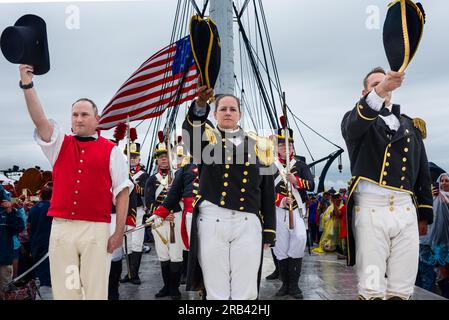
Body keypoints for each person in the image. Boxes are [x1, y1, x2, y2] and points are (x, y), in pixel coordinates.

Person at [19, 64, 133, 300]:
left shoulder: (111, 151)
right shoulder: (59, 144)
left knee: (95, 292)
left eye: (84, 114)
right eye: (75, 114)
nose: (79, 119)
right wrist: (28, 85)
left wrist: (118, 232)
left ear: (96, 118)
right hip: (62, 229)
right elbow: (39, 119)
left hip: (96, 229)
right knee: (66, 293)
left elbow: (122, 193)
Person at [341, 67, 433, 300]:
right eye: (375, 84)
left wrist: (424, 213)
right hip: (372, 210)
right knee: (372, 289)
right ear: (364, 92)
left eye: (385, 83)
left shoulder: (411, 126)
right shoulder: (355, 120)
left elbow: (422, 170)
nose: (383, 87)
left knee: (402, 289)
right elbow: (355, 125)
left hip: (405, 211)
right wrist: (381, 90)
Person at [182, 87, 276, 300]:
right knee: (216, 290)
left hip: (247, 223)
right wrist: (199, 106)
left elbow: (268, 191)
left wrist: (269, 230)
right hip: (213, 221)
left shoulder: (261, 146)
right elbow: (190, 131)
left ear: (239, 114)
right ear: (214, 114)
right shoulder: (205, 140)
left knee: (247, 290)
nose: (227, 112)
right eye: (222, 109)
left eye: (233, 109)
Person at [271, 126, 314, 299]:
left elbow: (311, 185)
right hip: (277, 209)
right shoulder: (270, 165)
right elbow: (263, 189)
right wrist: (280, 200)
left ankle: (294, 285)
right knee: (280, 246)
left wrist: (297, 181)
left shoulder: (301, 165)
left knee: (299, 239)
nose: (285, 149)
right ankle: (285, 285)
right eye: (282, 146)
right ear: (277, 148)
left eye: (288, 146)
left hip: (296, 210)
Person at [152, 138, 199, 285]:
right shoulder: (155, 178)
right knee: (168, 252)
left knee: (185, 248)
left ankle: (188, 275)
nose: (165, 159)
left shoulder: (188, 171)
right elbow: (150, 199)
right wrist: (163, 213)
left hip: (186, 213)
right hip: (169, 217)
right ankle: (173, 285)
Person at [144, 139, 184, 300]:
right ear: (157, 160)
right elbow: (149, 202)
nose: (163, 159)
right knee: (163, 255)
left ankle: (174, 289)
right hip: (159, 220)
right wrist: (162, 214)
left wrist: (173, 211)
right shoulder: (151, 180)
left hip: (176, 218)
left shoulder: (178, 176)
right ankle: (166, 286)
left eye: (166, 156)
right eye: (160, 157)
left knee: (176, 255)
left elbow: (183, 198)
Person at [120, 142, 148, 285]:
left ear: (139, 158)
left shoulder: (143, 175)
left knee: (137, 243)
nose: (132, 159)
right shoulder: (121, 172)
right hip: (125, 210)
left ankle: (135, 274)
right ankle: (129, 273)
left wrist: (133, 183)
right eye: (130, 156)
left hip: (138, 211)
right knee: (127, 244)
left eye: (135, 156)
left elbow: (145, 192)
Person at [423, 173, 449, 298]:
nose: (444, 183)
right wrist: (432, 196)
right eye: (442, 180)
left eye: (447, 181)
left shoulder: (445, 197)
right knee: (442, 269)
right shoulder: (435, 197)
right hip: (439, 241)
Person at [0, 185, 25, 298]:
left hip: (4, 260)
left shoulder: (8, 212)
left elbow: (19, 227)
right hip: (5, 257)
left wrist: (10, 212)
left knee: (5, 292)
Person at [28, 184, 53, 288]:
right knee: (48, 266)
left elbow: (28, 226)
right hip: (49, 241)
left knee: (38, 265)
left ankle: (40, 283)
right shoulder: (52, 208)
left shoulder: (33, 208)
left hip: (35, 241)